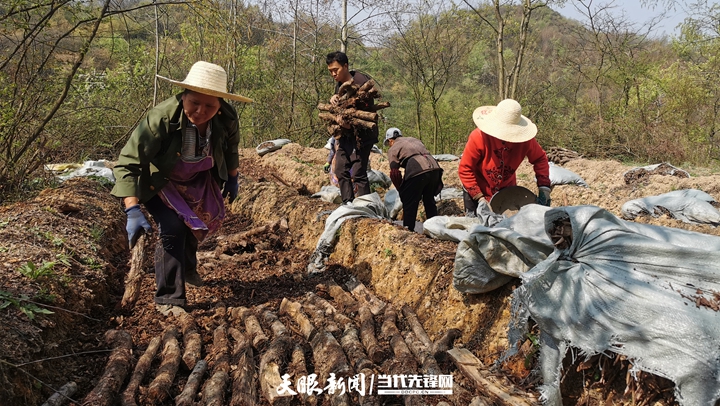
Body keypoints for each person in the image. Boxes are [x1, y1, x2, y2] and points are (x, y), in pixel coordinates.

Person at [111, 61, 252, 315]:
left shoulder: (226, 117)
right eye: (194, 103)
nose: (201, 111)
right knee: (173, 228)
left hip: (198, 178)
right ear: (183, 95)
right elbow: (128, 163)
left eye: (210, 105)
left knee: (195, 223)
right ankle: (168, 298)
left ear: (220, 104)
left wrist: (232, 178)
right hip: (161, 180)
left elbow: (231, 148)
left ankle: (187, 269)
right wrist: (131, 208)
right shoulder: (161, 117)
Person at [458, 99, 551, 216]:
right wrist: (479, 198)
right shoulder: (479, 137)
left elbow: (540, 159)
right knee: (475, 226)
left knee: (506, 228)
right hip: (477, 187)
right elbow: (465, 169)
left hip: (506, 191)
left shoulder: (525, 141)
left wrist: (544, 186)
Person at [325, 51, 379, 204]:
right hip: (345, 134)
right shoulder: (340, 83)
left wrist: (350, 123)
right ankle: (348, 204)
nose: (333, 74)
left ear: (346, 66)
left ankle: (365, 208)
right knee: (340, 169)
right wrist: (333, 98)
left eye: (336, 70)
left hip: (363, 134)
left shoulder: (361, 81)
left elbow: (366, 112)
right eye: (330, 71)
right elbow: (340, 106)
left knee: (358, 171)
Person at [385, 128, 443, 231]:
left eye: (388, 143)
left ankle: (408, 231)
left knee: (410, 203)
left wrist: (401, 190)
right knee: (429, 200)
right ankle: (436, 230)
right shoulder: (414, 139)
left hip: (418, 170)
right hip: (434, 168)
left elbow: (394, 173)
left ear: (390, 140)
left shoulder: (393, 148)